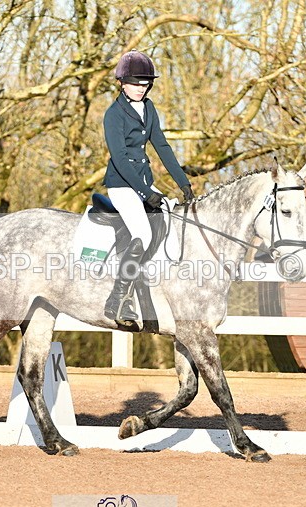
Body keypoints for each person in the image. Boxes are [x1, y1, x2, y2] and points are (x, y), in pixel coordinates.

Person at [102, 49, 195, 326]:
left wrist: (184, 183)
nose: (141, 89)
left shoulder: (149, 108)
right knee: (142, 231)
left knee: (169, 218)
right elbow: (120, 158)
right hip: (122, 185)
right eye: (135, 83)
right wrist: (146, 193)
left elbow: (162, 147)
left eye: (145, 84)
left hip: (143, 182)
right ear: (122, 82)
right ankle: (117, 299)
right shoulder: (113, 115)